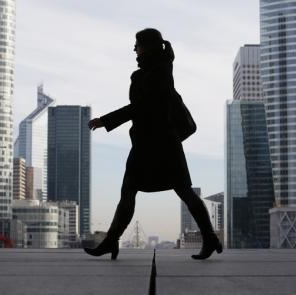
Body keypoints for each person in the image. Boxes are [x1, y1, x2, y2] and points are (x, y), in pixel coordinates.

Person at [85, 28, 222, 260]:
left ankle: (209, 238)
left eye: (137, 44)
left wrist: (106, 120)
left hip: (158, 145)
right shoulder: (155, 70)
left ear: (146, 46)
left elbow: (143, 106)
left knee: (172, 191)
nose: (134, 49)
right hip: (155, 143)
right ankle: (111, 241)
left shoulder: (159, 72)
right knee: (136, 191)